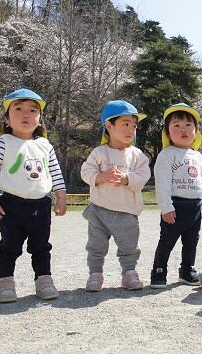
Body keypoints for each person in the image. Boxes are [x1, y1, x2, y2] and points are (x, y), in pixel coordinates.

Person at [0, 88, 67, 303]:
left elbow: (55, 172)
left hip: (41, 205)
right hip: (11, 205)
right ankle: (5, 282)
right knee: (9, 246)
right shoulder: (1, 143)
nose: (25, 114)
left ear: (40, 120)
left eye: (32, 110)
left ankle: (44, 280)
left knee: (42, 246)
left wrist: (61, 196)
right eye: (18, 109)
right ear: (7, 119)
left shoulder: (45, 145)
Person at [80, 100, 151, 291]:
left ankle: (129, 273)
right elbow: (85, 171)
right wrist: (100, 177)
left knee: (129, 246)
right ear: (109, 125)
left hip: (127, 211)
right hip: (99, 209)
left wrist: (128, 179)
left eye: (134, 125)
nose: (131, 130)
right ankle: (95, 274)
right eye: (125, 124)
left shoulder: (137, 155)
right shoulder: (99, 152)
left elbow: (145, 174)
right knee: (96, 245)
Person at [150, 103, 202, 288]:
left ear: (196, 130)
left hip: (195, 207)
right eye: (176, 126)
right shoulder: (166, 155)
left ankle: (187, 270)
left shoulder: (198, 157)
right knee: (167, 241)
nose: (183, 130)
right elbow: (162, 184)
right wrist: (166, 207)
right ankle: (159, 271)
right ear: (168, 132)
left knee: (191, 241)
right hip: (175, 207)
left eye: (188, 126)